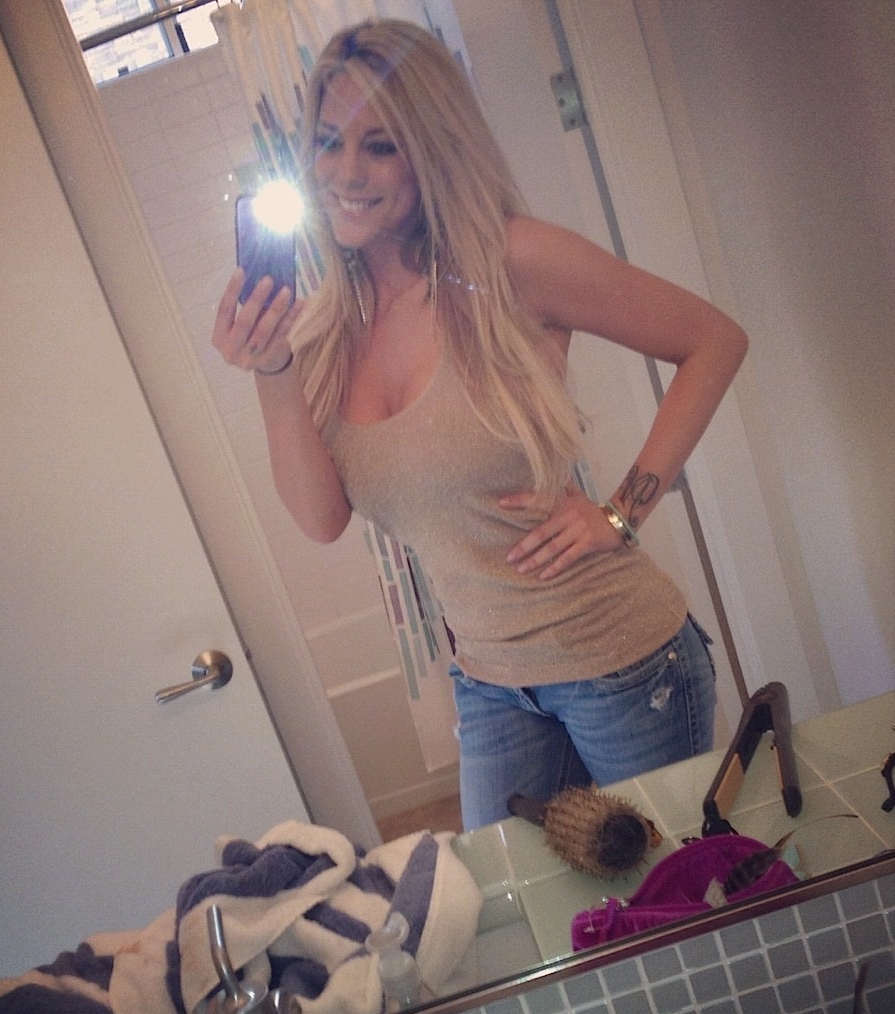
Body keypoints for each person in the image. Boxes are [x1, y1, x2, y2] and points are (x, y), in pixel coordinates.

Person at [212, 19, 748, 830]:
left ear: (431, 149)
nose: (346, 173)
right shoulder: (323, 327)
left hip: (620, 661)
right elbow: (321, 520)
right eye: (327, 143)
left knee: (667, 887)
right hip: (490, 682)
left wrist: (620, 513)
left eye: (381, 146)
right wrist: (272, 368)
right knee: (511, 896)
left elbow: (713, 340)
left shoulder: (511, 262)